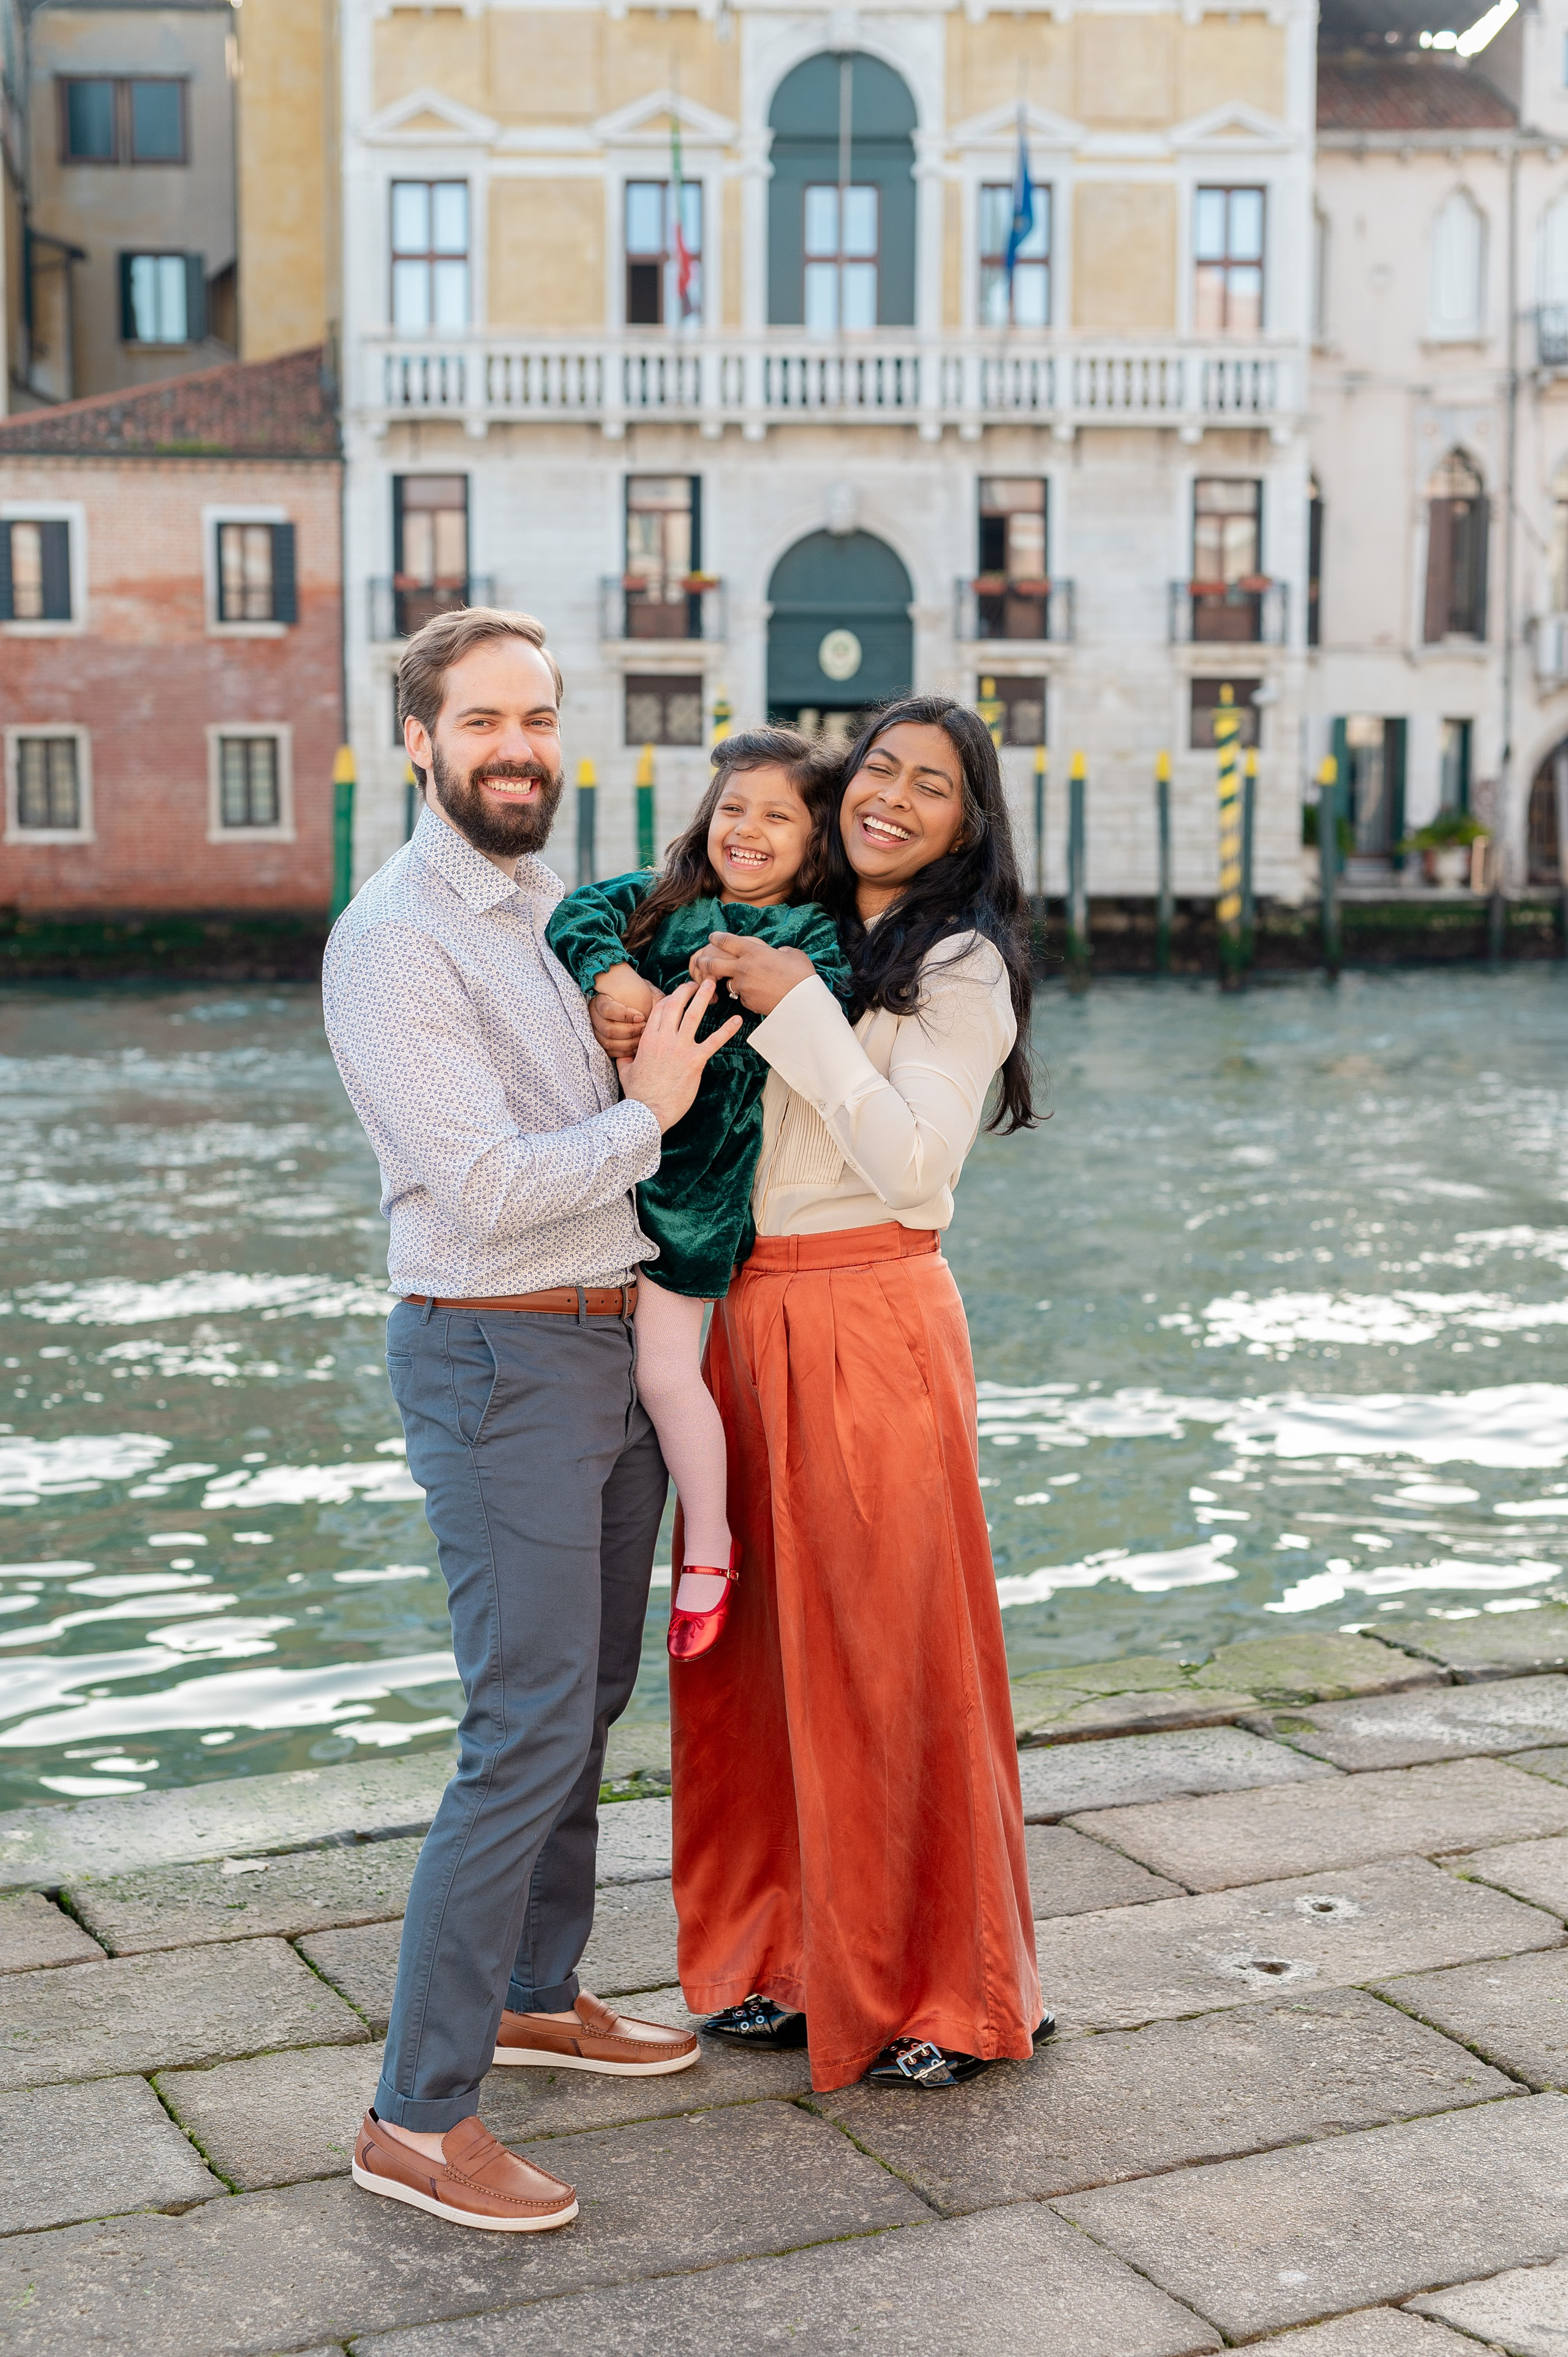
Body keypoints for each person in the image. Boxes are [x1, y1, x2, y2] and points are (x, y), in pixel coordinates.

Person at [322, 606, 741, 2231]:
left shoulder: (549, 918)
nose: (520, 747)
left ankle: (535, 1991)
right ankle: (416, 2120)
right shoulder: (395, 938)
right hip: (495, 1353)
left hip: (608, 1342)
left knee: (587, 1696)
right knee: (522, 1724)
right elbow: (487, 1193)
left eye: (539, 718)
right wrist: (652, 1113)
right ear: (419, 742)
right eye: (484, 719)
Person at [593, 693, 1046, 2095]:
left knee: (885, 1659)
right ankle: (773, 1960)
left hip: (865, 1314)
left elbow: (915, 1168)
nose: (893, 797)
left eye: (932, 784)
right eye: (879, 771)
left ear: (969, 823)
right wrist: (621, 993)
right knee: (752, 1661)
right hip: (738, 1311)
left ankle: (944, 1989)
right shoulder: (789, 919)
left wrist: (797, 1014)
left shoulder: (957, 961)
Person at [545, 729, 850, 1661]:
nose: (747, 829)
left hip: (696, 1194)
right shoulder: (660, 897)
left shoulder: (811, 936)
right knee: (609, 1380)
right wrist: (614, 973)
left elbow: (834, 1005)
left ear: (815, 842)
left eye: (777, 816)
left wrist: (767, 986)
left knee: (664, 1375)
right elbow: (570, 916)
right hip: (602, 1179)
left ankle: (709, 1547)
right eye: (732, 808)